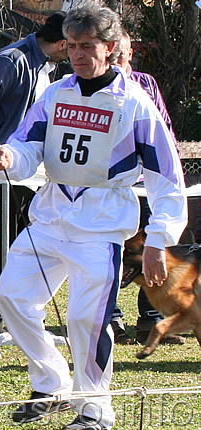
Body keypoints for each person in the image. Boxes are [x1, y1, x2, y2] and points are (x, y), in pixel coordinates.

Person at [0, 1, 186, 430]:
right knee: (10, 298)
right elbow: (28, 144)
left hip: (102, 225)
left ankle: (96, 408)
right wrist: (9, 156)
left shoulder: (134, 104)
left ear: (111, 47)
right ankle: (51, 383)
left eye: (87, 46)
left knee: (85, 319)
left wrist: (159, 238)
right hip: (50, 216)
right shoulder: (55, 94)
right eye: (72, 45)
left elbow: (166, 177)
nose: (78, 54)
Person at [0, 12, 69, 348]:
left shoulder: (45, 67)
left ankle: (22, 319)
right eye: (73, 45)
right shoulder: (11, 60)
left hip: (30, 172)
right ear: (62, 43)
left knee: (23, 244)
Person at [109, 30, 184, 345]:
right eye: (116, 55)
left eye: (125, 54)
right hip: (117, 188)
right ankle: (110, 319)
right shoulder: (97, 89)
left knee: (156, 252)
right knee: (114, 253)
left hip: (148, 185)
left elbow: (164, 128)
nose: (121, 60)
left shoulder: (146, 84)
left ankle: (151, 319)